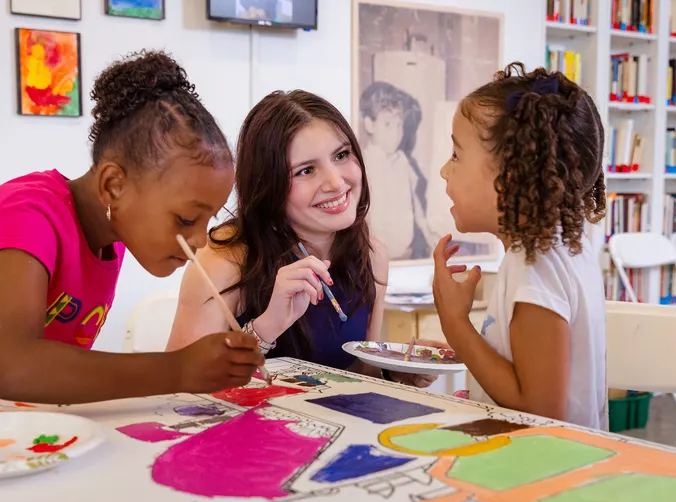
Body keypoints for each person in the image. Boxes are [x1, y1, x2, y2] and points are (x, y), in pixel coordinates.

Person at [0, 51, 261, 410]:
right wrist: (175, 371)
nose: (198, 240)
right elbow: (14, 369)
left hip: (1, 431)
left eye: (208, 220)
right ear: (114, 186)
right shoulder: (28, 214)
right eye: (185, 219)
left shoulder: (112, 242)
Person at [166, 90, 437, 387]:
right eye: (306, 170)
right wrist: (266, 327)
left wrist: (395, 371)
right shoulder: (224, 258)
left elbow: (357, 374)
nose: (336, 182)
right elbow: (179, 385)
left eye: (342, 155)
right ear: (269, 185)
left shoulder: (373, 256)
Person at [432, 63, 608, 428]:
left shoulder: (536, 265)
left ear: (509, 180)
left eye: (456, 155)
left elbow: (541, 412)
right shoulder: (561, 248)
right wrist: (461, 350)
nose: (444, 170)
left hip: (543, 475)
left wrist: (455, 323)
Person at [360, 81, 435, 261]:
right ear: (370, 125)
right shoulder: (363, 163)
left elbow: (414, 201)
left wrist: (427, 232)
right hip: (373, 260)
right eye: (387, 124)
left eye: (399, 125)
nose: (395, 133)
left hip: (404, 255)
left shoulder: (403, 161)